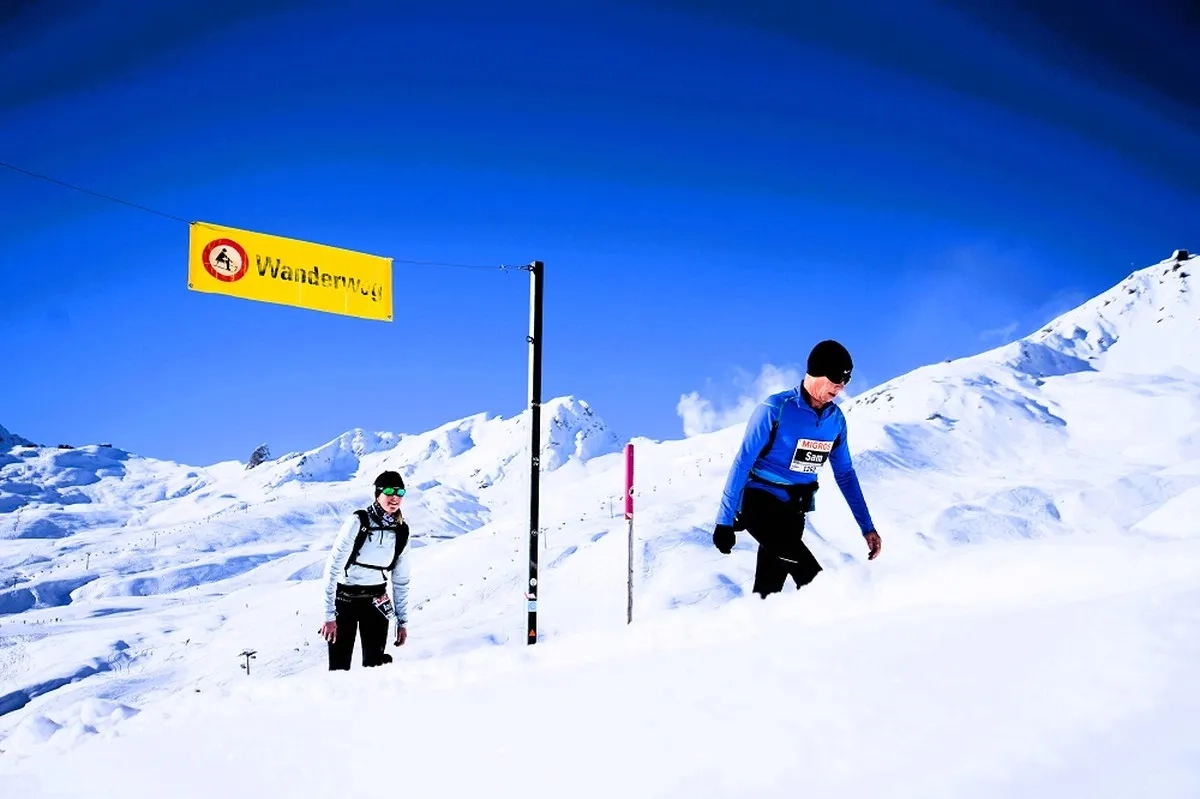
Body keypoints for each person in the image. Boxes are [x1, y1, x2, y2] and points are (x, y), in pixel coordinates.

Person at [712, 340, 882, 598]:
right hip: (760, 503)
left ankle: (754, 622)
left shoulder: (835, 421)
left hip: (795, 511)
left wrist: (867, 527)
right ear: (816, 372)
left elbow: (845, 474)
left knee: (768, 592)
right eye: (837, 378)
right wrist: (724, 520)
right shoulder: (776, 408)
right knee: (812, 577)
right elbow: (743, 461)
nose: (841, 386)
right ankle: (851, 613)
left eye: (846, 379)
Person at [319, 470, 412, 669]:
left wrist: (402, 622)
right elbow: (332, 569)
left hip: (377, 602)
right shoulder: (358, 522)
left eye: (400, 492)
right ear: (378, 493)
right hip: (345, 601)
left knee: (374, 667)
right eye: (389, 491)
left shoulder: (401, 531)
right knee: (339, 668)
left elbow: (401, 580)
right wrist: (328, 616)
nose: (395, 497)